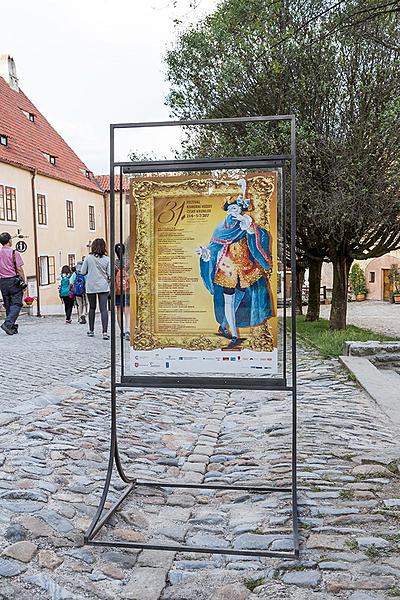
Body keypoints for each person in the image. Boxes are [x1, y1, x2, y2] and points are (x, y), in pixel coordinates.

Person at [198, 179, 273, 349]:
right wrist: (206, 253)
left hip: (247, 269)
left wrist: (251, 229)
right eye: (231, 209)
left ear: (241, 210)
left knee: (248, 296)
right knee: (228, 301)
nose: (234, 212)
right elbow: (213, 247)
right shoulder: (220, 229)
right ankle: (235, 336)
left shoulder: (247, 224)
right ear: (227, 211)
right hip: (227, 271)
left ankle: (224, 326)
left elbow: (261, 239)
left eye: (237, 208)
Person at [81, 238, 110, 340]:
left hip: (91, 286)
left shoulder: (88, 258)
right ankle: (105, 332)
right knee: (103, 309)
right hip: (103, 286)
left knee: (92, 308)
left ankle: (91, 330)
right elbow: (110, 274)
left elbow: (83, 271)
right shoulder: (107, 259)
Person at [0, 232, 26, 335]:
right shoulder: (14, 253)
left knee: (8, 305)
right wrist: (23, 281)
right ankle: (8, 324)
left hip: (2, 282)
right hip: (13, 281)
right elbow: (19, 269)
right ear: (9, 241)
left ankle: (11, 327)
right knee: (17, 304)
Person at [115, 243, 130, 340]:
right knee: (127, 310)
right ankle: (127, 329)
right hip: (127, 289)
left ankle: (122, 331)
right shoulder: (128, 262)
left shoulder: (114, 263)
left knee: (119, 310)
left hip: (117, 290)